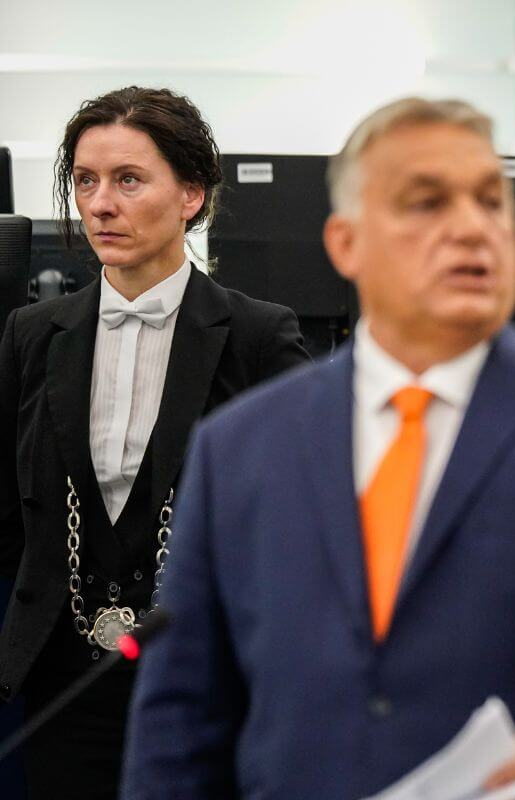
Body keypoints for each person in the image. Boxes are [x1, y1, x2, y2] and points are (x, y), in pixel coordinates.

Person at [120, 97, 515, 800]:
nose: (472, 227)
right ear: (346, 244)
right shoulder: (241, 447)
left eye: (490, 201)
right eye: (427, 203)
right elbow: (180, 715)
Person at [0, 86, 307, 798]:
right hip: (60, 677)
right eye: (85, 181)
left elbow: (297, 518)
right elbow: (6, 512)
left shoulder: (259, 336)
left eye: (129, 180)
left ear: (191, 195)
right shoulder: (31, 334)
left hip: (203, 669)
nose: (100, 205)